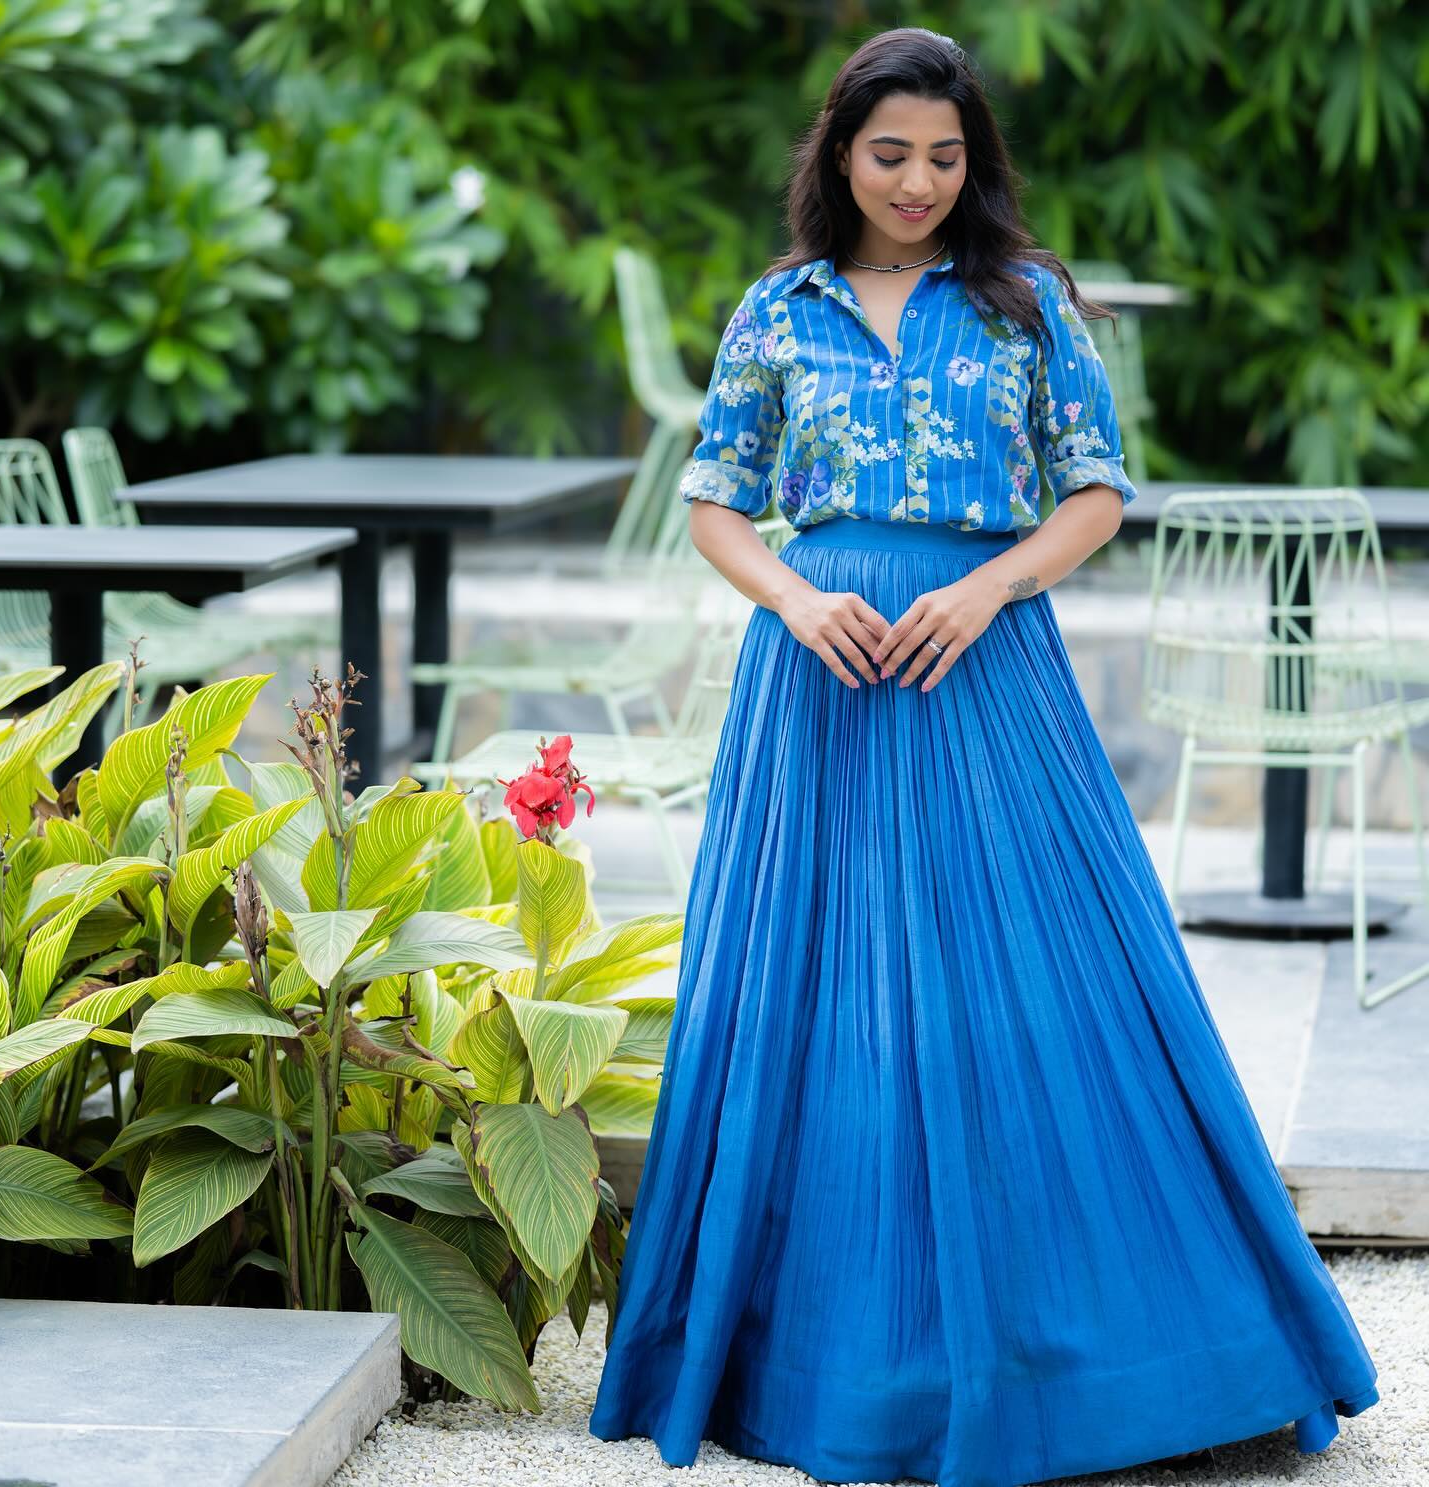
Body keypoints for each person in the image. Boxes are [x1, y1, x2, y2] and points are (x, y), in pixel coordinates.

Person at [587, 26, 1379, 1487]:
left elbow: (1097, 494)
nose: (918, 181)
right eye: (891, 153)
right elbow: (717, 505)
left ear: (975, 164)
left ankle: (1120, 1352)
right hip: (815, 684)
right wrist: (803, 597)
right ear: (837, 153)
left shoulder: (1024, 305)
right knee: (815, 1002)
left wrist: (986, 584)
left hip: (987, 667)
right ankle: (827, 1360)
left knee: (1051, 982)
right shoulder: (776, 311)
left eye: (945, 157)